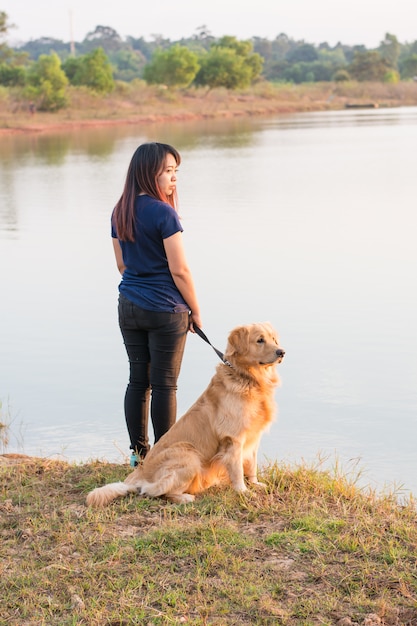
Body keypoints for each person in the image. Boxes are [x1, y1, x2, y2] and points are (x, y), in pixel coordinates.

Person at [111, 142, 202, 465]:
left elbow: (122, 265)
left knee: (138, 381)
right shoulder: (164, 213)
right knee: (165, 385)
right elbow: (180, 270)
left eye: (176, 171)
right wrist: (196, 311)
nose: (174, 178)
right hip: (166, 310)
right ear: (149, 173)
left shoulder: (120, 209)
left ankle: (139, 456)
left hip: (129, 306)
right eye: (168, 171)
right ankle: (164, 460)